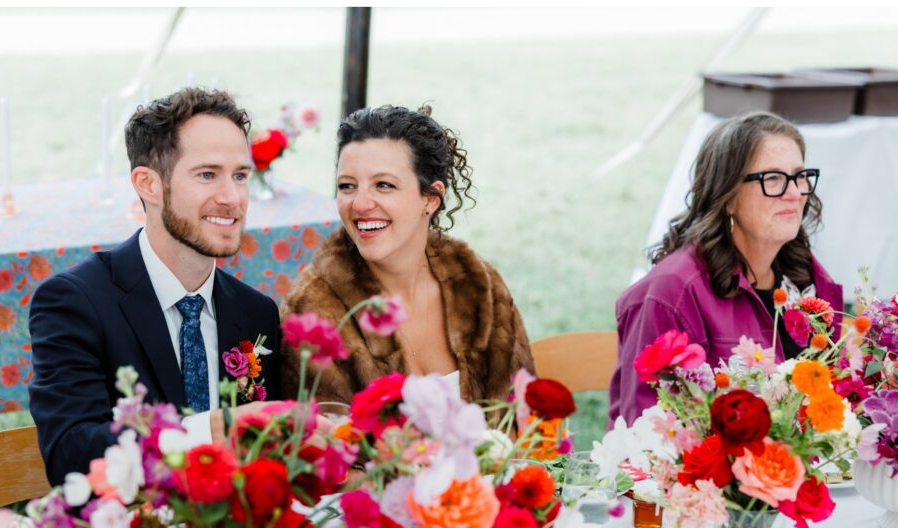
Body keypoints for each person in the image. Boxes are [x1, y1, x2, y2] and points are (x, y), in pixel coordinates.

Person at [29, 88, 282, 486]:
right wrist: (211, 430)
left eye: (240, 176)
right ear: (148, 184)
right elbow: (70, 456)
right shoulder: (75, 301)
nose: (232, 198)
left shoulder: (256, 313)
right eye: (207, 174)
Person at [280, 105, 534, 404]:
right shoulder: (315, 313)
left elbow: (525, 415)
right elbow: (319, 443)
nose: (359, 204)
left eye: (383, 185)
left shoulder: (480, 286)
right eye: (347, 186)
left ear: (430, 198)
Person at [608, 111, 843, 426]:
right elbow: (649, 433)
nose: (795, 192)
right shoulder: (672, 293)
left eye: (799, 175)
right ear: (728, 197)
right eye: (772, 178)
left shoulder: (805, 279)